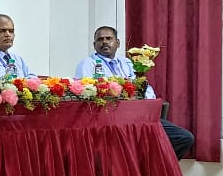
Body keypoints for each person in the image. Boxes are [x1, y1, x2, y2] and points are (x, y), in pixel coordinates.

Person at [74, 25, 195, 159]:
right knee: (133, 144)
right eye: (100, 39)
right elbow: (88, 94)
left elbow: (144, 86)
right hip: (110, 119)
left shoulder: (127, 62)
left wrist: (147, 102)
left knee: (184, 138)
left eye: (109, 38)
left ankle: (155, 168)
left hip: (140, 116)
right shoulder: (88, 64)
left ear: (117, 43)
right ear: (94, 45)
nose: (104, 42)